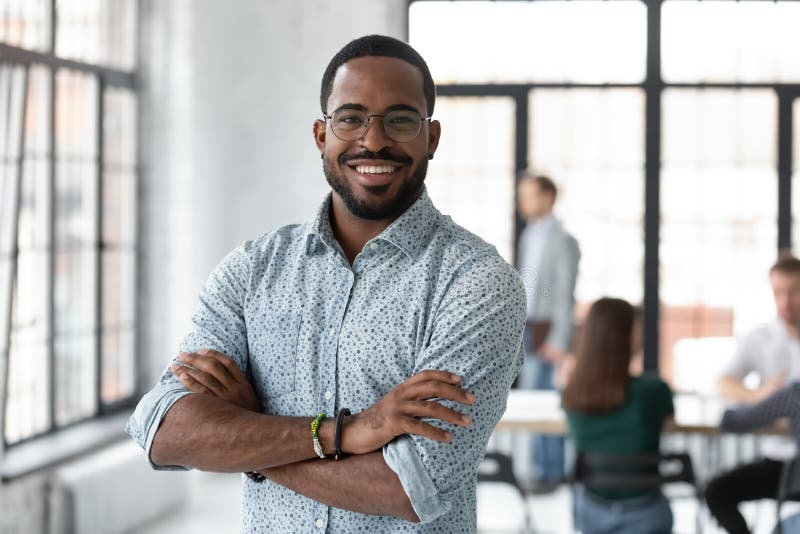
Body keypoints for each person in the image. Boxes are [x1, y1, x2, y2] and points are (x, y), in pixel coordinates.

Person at [125, 35, 527, 532]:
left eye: (400, 120)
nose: (374, 141)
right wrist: (347, 433)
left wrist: (251, 441)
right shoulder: (254, 269)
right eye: (351, 118)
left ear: (432, 137)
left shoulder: (477, 282)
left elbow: (409, 486)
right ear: (321, 134)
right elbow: (162, 429)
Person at [562, 298, 674, 534]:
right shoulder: (654, 391)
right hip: (646, 514)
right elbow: (670, 426)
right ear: (628, 335)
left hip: (592, 513)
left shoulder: (572, 395)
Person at [706, 254, 800, 533]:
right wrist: (762, 397)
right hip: (779, 462)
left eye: (794, 292)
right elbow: (724, 382)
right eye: (778, 293)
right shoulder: (761, 339)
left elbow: (732, 421)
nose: (785, 301)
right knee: (717, 492)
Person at [515, 172, 580, 491]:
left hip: (550, 331)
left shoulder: (564, 241)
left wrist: (559, 340)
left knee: (549, 403)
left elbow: (565, 292)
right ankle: (539, 468)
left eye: (528, 195)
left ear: (548, 197)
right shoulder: (528, 236)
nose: (522, 202)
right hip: (527, 328)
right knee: (529, 401)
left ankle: (552, 474)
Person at [710, 382, 800, 534]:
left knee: (717, 492)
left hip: (787, 474)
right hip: (791, 475)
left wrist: (756, 396)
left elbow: (736, 421)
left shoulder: (795, 394)